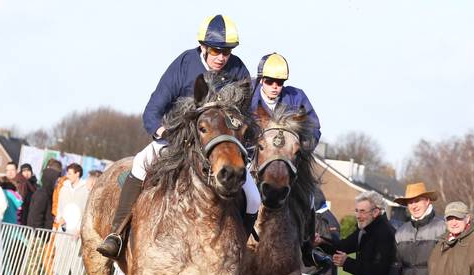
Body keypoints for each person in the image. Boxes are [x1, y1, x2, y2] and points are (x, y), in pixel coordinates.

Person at [96, 14, 260, 259]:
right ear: (203, 46)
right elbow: (153, 110)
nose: (222, 57)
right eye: (216, 51)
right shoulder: (184, 63)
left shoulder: (238, 70)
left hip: (216, 148)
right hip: (177, 139)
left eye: (227, 52)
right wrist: (162, 132)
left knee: (254, 198)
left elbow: (245, 115)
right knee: (140, 163)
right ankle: (116, 234)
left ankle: (236, 258)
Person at [389, 183, 446, 275]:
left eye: (417, 201)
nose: (413, 205)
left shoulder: (442, 228)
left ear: (427, 201)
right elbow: (395, 263)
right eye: (410, 202)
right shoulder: (401, 231)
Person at [250, 52, 321, 146]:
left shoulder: (297, 98)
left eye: (279, 82)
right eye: (269, 82)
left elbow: (313, 128)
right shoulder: (247, 95)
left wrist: (301, 148)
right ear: (261, 80)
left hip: (287, 153)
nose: (274, 87)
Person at [27, 158, 62, 229]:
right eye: (57, 180)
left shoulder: (49, 193)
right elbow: (35, 218)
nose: (58, 183)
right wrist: (39, 236)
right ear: (52, 178)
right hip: (39, 235)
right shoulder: (42, 195)